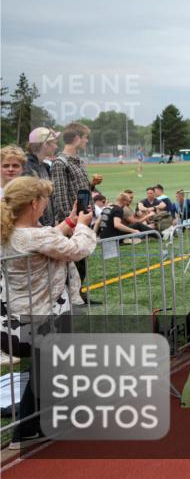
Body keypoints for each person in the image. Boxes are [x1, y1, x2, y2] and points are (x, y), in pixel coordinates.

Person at [0, 176, 95, 449]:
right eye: (43, 200)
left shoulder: (13, 232)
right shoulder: (32, 235)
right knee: (46, 370)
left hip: (24, 311)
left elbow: (45, 238)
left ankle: (34, 426)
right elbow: (77, 249)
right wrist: (83, 227)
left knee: (45, 368)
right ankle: (29, 428)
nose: (45, 205)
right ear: (33, 203)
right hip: (44, 313)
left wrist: (69, 222)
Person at [48, 123, 101, 299]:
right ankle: (72, 299)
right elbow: (61, 196)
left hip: (82, 221)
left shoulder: (78, 161)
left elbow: (78, 189)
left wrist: (92, 185)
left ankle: (79, 296)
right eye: (85, 137)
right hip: (72, 224)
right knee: (72, 266)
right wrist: (69, 224)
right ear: (77, 138)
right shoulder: (59, 163)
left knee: (81, 264)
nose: (86, 140)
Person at [22, 128, 59, 227]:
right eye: (54, 143)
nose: (56, 146)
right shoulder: (27, 168)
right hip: (35, 228)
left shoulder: (43, 166)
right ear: (45, 144)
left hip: (46, 227)